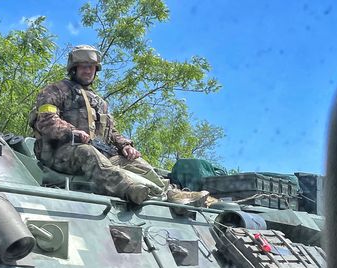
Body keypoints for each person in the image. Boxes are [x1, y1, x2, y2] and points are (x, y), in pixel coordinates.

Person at [30, 44, 211, 206]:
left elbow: (112, 132)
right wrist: (72, 132)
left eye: (92, 67)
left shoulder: (99, 102)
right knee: (87, 152)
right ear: (74, 69)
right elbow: (46, 120)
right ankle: (131, 189)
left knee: (135, 162)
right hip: (60, 153)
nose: (88, 71)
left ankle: (173, 194)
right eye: (84, 67)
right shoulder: (55, 90)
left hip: (101, 153)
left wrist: (124, 145)